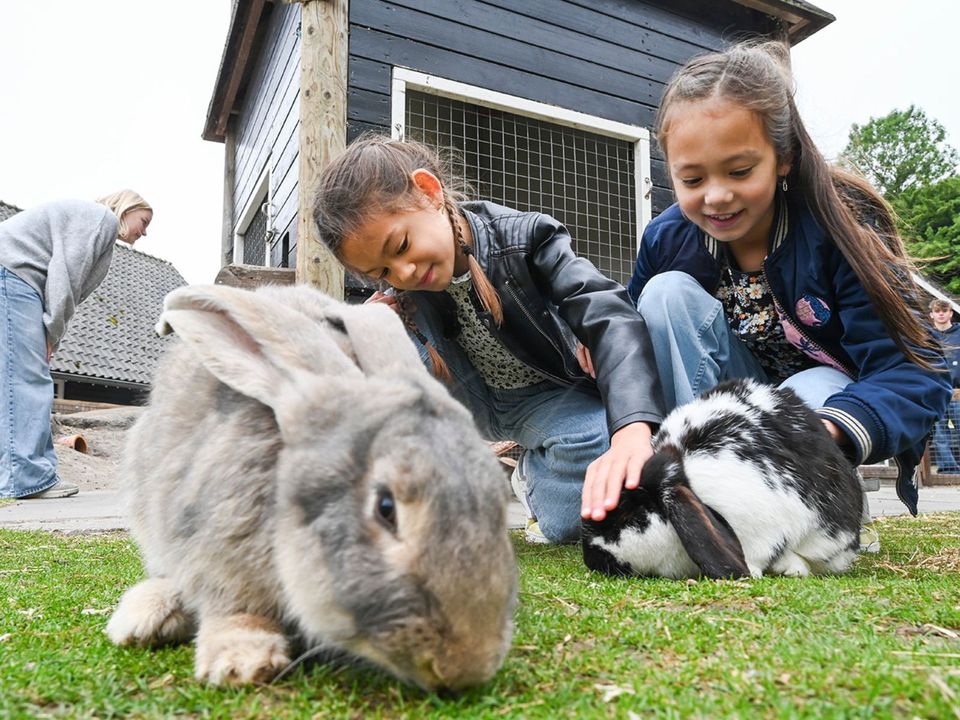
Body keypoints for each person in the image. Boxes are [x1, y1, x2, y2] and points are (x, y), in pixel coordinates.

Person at [616, 40, 950, 537]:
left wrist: (823, 433)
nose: (716, 196)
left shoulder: (841, 226)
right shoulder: (666, 238)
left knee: (808, 395)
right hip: (720, 404)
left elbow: (914, 371)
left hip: (813, 404)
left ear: (784, 158)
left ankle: (819, 500)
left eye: (740, 171)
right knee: (665, 295)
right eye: (692, 179)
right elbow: (629, 345)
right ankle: (689, 485)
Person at [311, 135, 665, 544]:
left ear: (428, 192)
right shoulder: (403, 293)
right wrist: (371, 332)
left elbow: (607, 313)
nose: (404, 273)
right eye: (383, 272)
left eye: (402, 246)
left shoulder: (526, 238)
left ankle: (530, 477)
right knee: (377, 330)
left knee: (580, 504)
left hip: (543, 398)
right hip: (465, 402)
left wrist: (632, 430)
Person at [0, 190, 153, 499]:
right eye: (144, 221)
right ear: (127, 209)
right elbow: (65, 278)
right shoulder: (102, 219)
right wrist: (51, 333)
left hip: (11, 275)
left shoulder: (92, 223)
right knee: (29, 378)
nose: (145, 231)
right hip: (15, 277)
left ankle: (21, 474)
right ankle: (25, 478)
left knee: (12, 381)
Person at [929, 298, 960, 473]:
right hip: (936, 391)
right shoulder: (926, 336)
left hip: (958, 391)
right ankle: (948, 468)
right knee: (940, 433)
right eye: (937, 311)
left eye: (944, 310)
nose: (941, 314)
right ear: (931, 314)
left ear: (950, 313)